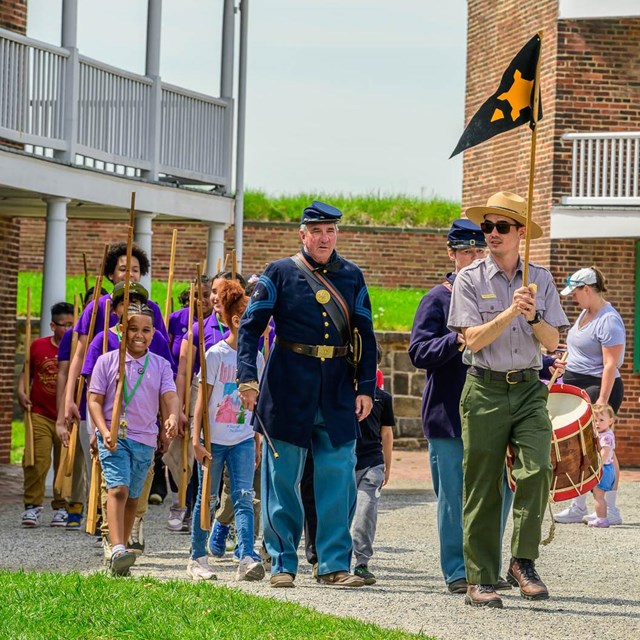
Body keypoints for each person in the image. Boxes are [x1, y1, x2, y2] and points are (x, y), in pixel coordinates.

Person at [237, 200, 377, 589]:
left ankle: (332, 563)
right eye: (316, 231)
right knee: (283, 479)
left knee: (337, 479)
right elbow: (250, 330)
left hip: (336, 388)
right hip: (287, 386)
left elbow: (366, 335)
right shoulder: (278, 273)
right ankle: (283, 563)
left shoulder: (351, 275)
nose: (324, 238)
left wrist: (365, 387)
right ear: (302, 235)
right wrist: (247, 379)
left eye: (330, 231)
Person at [447, 191, 569, 608]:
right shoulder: (468, 279)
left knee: (537, 471)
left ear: (520, 233)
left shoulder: (543, 278)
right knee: (482, 486)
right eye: (487, 227)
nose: (492, 234)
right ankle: (479, 580)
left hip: (530, 388)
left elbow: (553, 340)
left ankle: (522, 561)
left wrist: (533, 314)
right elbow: (472, 340)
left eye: (502, 227)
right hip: (484, 388)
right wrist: (511, 312)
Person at [409, 219, 514, 595]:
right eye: (465, 251)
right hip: (448, 416)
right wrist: (456, 340)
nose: (473, 258)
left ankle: (486, 566)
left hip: (494, 412)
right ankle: (457, 570)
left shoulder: (495, 296)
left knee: (499, 493)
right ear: (450, 253)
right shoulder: (436, 299)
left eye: (478, 251)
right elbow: (418, 353)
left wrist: (548, 363)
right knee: (454, 499)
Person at [88, 302, 178, 576]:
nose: (139, 335)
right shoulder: (108, 361)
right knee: (117, 489)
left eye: (146, 330)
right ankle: (116, 546)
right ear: (122, 330)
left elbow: (169, 396)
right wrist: (103, 430)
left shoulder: (160, 365)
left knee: (134, 499)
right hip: (114, 437)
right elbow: (94, 400)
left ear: (153, 334)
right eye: (133, 329)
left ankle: (122, 551)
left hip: (146, 439)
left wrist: (172, 416)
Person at [188, 279, 265, 582]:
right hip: (213, 441)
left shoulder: (256, 358)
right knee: (206, 499)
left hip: (243, 438)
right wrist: (196, 439)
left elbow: (256, 404)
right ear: (236, 320)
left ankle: (246, 556)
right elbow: (200, 402)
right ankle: (196, 557)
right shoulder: (215, 355)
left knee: (244, 496)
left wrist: (256, 439)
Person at [553, 267, 626, 526]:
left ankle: (611, 508)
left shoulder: (609, 320)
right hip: (579, 385)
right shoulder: (586, 313)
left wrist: (602, 402)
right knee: (580, 448)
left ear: (587, 289)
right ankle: (579, 504)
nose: (573, 297)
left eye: (575, 292)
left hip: (599, 388)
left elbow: (609, 364)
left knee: (603, 447)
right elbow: (580, 349)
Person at [18, 302, 75, 528]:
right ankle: (32, 506)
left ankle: (61, 507)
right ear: (53, 325)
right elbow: (26, 373)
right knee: (36, 460)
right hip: (40, 413)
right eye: (65, 325)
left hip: (65, 416)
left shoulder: (76, 348)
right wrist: (21, 392)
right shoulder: (38, 346)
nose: (69, 329)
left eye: (73, 325)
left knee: (65, 463)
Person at [351, 343, 395, 585]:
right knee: (341, 513)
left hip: (372, 463)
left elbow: (386, 434)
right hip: (346, 462)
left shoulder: (383, 398)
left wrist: (387, 466)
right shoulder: (343, 393)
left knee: (366, 513)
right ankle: (335, 559)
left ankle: (362, 561)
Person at [587, 404, 617, 528]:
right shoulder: (607, 433)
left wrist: (597, 466)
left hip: (603, 468)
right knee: (599, 495)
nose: (597, 423)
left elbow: (604, 452)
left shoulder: (605, 437)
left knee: (598, 496)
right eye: (594, 420)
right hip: (608, 468)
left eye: (601, 420)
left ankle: (602, 519)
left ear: (610, 421)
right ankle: (601, 516)